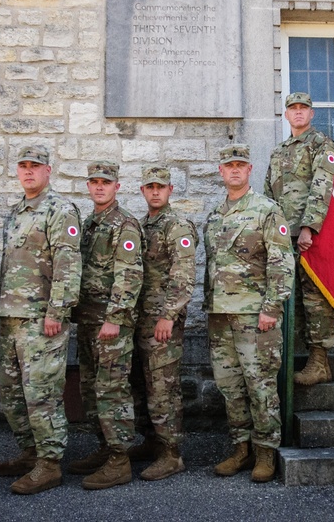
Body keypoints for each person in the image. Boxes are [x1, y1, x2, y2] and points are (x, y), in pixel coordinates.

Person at [0, 145, 83, 495]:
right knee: (13, 393)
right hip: (12, 316)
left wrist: (57, 312)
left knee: (42, 393)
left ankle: (49, 464)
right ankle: (30, 452)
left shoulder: (59, 210)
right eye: (23, 166)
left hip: (41, 319)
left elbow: (68, 263)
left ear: (49, 170)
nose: (29, 172)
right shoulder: (16, 212)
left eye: (36, 166)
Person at [205, 144, 294, 483]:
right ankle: (240, 449)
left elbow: (281, 262)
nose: (235, 170)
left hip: (255, 316)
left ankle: (266, 452)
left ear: (250, 169)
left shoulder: (266, 210)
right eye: (229, 165)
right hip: (220, 316)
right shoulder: (215, 214)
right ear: (221, 171)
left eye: (241, 164)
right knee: (230, 387)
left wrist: (271, 308)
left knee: (260, 386)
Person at [68, 161, 144, 490]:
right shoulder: (89, 224)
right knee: (90, 388)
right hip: (87, 319)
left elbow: (129, 275)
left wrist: (115, 317)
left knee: (111, 389)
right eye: (94, 181)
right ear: (88, 186)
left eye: (106, 182)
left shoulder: (124, 223)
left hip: (110, 323)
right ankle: (104, 447)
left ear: (117, 186)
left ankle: (119, 459)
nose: (99, 187)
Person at [127, 165, 197, 480]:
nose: (155, 192)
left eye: (161, 187)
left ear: (170, 190)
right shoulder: (140, 226)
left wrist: (168, 315)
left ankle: (171, 453)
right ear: (142, 190)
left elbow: (183, 275)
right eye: (149, 187)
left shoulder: (177, 226)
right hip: (139, 320)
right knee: (142, 385)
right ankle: (152, 441)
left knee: (163, 387)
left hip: (162, 323)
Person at [264, 91, 334, 387]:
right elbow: (269, 194)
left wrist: (309, 226)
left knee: (315, 297)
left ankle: (320, 361)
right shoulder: (279, 151)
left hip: (311, 235)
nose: (298, 113)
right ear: (286, 114)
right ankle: (294, 357)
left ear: (311, 114)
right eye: (292, 108)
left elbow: (323, 184)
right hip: (283, 237)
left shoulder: (321, 143)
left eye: (303, 108)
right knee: (289, 296)